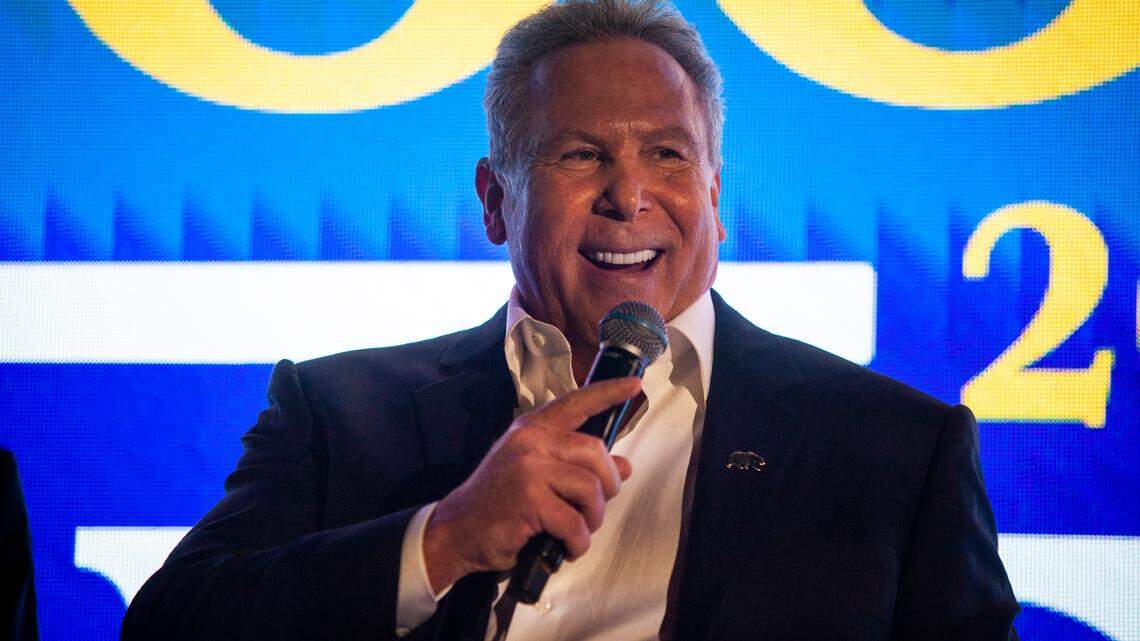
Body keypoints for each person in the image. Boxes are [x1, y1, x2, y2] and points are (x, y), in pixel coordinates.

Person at [122, 1, 1020, 639]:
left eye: (666, 155)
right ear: (495, 200)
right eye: (581, 156)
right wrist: (445, 537)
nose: (629, 196)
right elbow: (168, 624)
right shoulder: (338, 411)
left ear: (714, 196)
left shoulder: (894, 449)